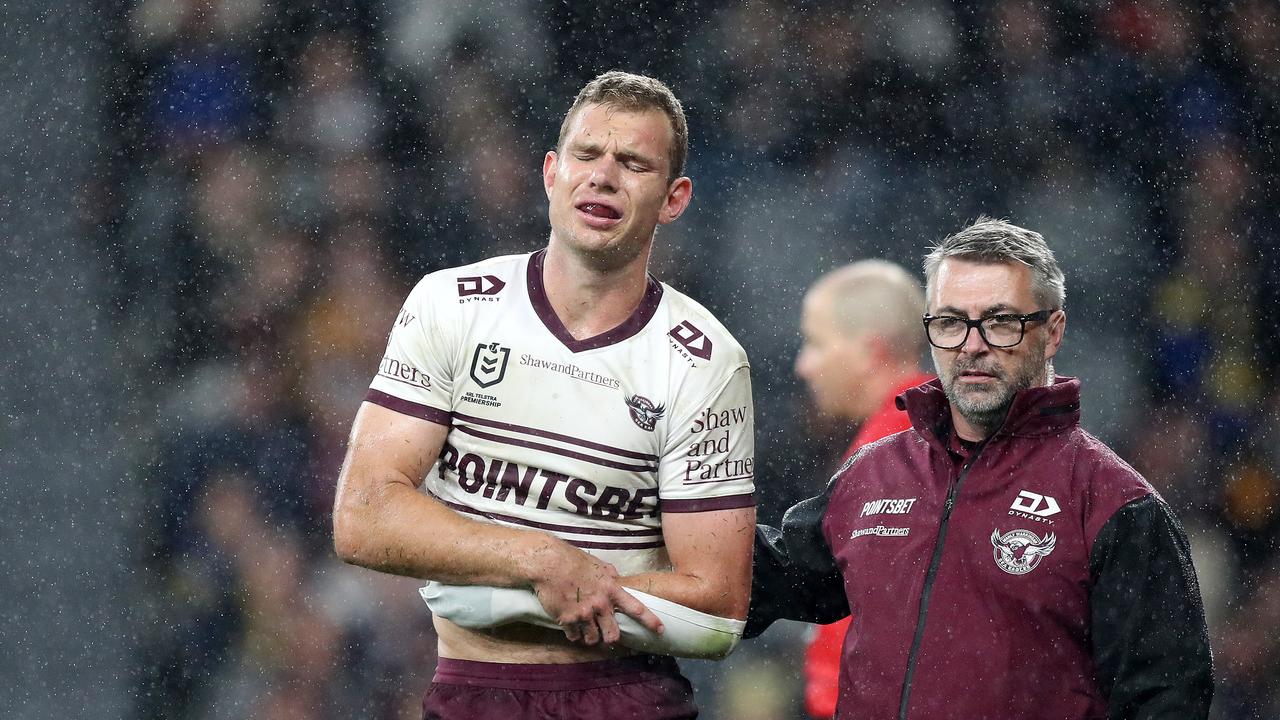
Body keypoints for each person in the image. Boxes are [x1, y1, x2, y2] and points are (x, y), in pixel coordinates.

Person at [332, 71, 756, 719]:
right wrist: (539, 559)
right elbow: (362, 516)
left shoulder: (705, 361)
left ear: (674, 199)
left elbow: (720, 601)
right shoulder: (451, 307)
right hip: (472, 691)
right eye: (588, 154)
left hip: (629, 698)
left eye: (633, 163)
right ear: (552, 172)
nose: (604, 175)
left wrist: (532, 592)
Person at [747, 217, 1213, 719]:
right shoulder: (874, 472)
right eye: (949, 322)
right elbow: (767, 579)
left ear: (1053, 331)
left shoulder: (1115, 505)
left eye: (1000, 321)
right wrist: (664, 516)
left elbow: (1167, 701)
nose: (971, 344)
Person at [791, 260, 932, 719]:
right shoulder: (915, 436)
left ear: (870, 350)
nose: (803, 366)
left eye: (815, 342)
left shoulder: (899, 451)